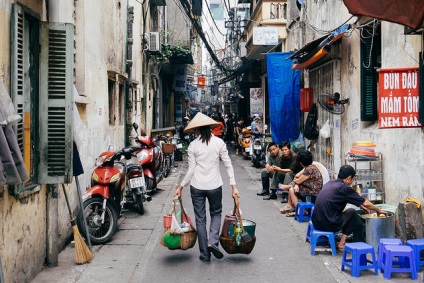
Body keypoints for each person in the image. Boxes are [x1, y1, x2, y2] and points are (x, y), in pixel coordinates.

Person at [174, 112, 240, 262]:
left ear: (197, 130)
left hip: (197, 186)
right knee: (216, 213)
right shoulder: (219, 143)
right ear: (210, 127)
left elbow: (191, 169)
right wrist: (233, 185)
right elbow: (228, 164)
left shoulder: (193, 145)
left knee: (200, 219)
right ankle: (212, 242)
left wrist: (181, 186)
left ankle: (204, 253)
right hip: (214, 186)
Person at [311, 165, 388, 250]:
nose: (352, 182)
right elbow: (365, 202)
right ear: (349, 178)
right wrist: (378, 210)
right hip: (328, 224)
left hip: (316, 223)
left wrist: (361, 206)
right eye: (353, 179)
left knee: (349, 213)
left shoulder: (331, 183)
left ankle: (342, 241)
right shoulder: (344, 188)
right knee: (352, 213)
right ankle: (343, 243)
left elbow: (355, 200)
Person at [280, 150, 323, 215]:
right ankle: (290, 206)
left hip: (313, 193)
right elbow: (297, 176)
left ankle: (299, 210)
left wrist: (289, 185)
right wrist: (296, 184)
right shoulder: (309, 167)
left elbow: (298, 180)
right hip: (310, 189)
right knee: (293, 187)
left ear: (300, 163)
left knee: (291, 189)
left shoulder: (309, 169)